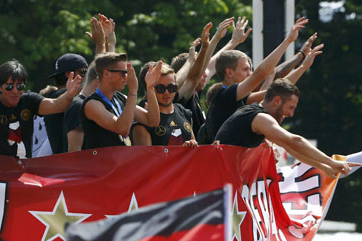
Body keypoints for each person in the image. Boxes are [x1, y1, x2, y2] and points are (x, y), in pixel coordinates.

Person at [198, 17, 309, 144]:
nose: (249, 73)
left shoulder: (239, 98)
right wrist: (288, 40)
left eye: (250, 70)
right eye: (245, 69)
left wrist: (303, 66)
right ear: (229, 72)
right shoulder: (224, 95)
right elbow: (260, 74)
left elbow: (276, 91)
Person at [215, 78, 354, 178]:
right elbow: (295, 141)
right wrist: (331, 161)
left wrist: (324, 167)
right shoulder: (259, 117)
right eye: (291, 107)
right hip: (219, 183)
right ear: (277, 101)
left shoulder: (253, 114)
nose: (291, 114)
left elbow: (291, 148)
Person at [0, 59, 82, 158]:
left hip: (22, 172)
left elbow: (58, 105)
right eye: (9, 86)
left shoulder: (29, 100)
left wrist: (69, 94)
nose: (15, 91)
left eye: (20, 86)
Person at [80, 52, 161, 149]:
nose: (126, 77)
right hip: (102, 163)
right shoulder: (92, 104)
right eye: (123, 73)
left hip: (122, 162)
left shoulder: (120, 98)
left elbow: (152, 121)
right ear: (106, 73)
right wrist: (132, 91)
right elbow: (122, 129)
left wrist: (150, 87)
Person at [132, 62, 197, 147]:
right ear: (150, 89)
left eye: (171, 88)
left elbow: (195, 151)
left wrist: (211, 149)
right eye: (160, 88)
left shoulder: (184, 112)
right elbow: (146, 159)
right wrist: (179, 152)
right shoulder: (143, 122)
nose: (166, 92)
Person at [43, 53, 88, 154]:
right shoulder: (58, 98)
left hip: (63, 163)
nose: (87, 76)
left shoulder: (53, 97)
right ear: (69, 74)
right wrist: (101, 46)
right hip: (67, 165)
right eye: (83, 72)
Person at [64, 62, 99, 152]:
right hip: (87, 165)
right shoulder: (78, 105)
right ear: (98, 81)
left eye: (85, 73)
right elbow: (74, 151)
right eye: (81, 72)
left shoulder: (99, 103)